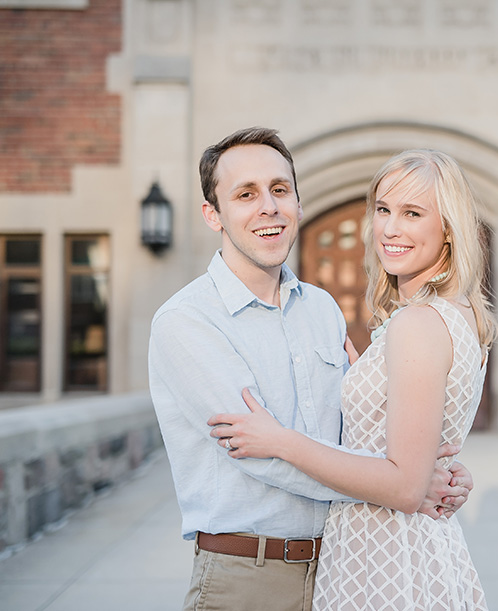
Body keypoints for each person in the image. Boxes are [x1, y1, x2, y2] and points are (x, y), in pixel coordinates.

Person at [148, 128, 473, 611]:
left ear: (298, 203)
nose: (269, 208)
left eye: (280, 190)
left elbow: (361, 435)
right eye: (245, 194)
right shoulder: (187, 321)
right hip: (248, 576)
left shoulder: (321, 308)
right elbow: (259, 453)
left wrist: (430, 465)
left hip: (343, 569)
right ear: (212, 214)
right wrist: (402, 487)